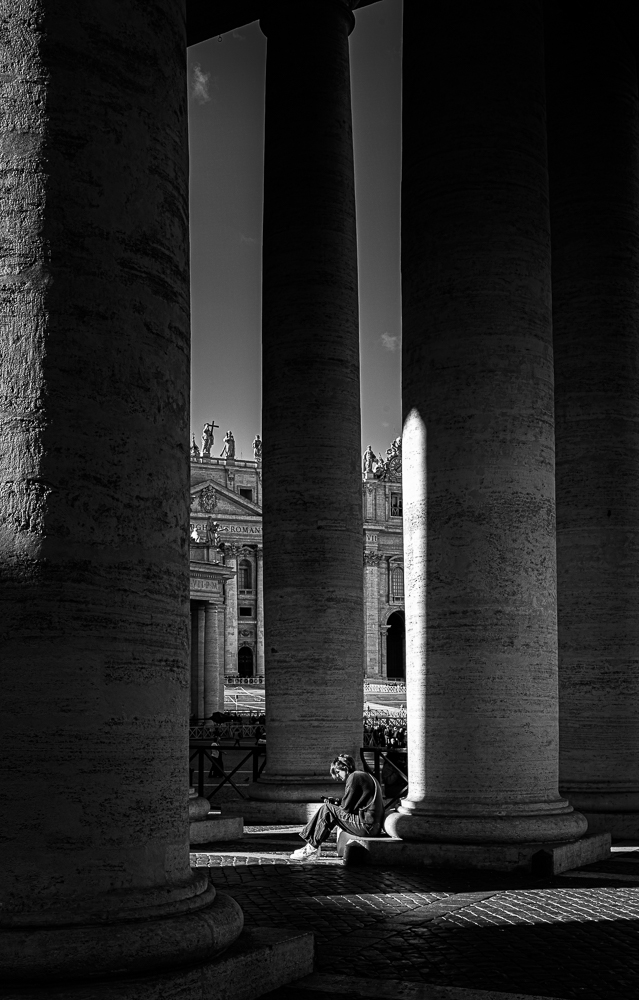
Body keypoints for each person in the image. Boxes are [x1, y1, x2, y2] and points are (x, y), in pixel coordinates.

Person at [290, 753, 385, 861]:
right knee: (328, 808)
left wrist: (335, 805)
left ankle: (311, 849)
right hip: (372, 825)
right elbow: (353, 804)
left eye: (338, 772)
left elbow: (346, 808)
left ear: (345, 767)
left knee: (327, 809)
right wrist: (336, 802)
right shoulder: (364, 775)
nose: (337, 776)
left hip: (367, 826)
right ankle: (313, 845)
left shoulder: (354, 777)